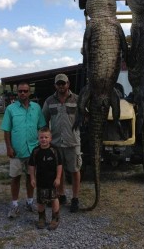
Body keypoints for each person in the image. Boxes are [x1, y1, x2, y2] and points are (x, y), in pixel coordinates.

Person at [0, 82, 46, 218]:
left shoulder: (36, 108)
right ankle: (14, 205)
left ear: (29, 92)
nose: (23, 94)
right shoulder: (10, 109)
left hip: (33, 150)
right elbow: (6, 130)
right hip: (17, 150)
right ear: (17, 93)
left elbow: (42, 127)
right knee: (15, 177)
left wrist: (42, 145)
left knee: (31, 177)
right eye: (20, 91)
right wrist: (8, 147)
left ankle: (30, 202)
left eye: (25, 91)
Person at [42, 73, 82, 212]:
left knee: (75, 170)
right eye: (58, 83)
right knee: (59, 171)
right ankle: (62, 194)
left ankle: (75, 199)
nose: (61, 86)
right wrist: (46, 139)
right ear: (55, 85)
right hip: (57, 143)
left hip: (73, 142)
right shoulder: (49, 101)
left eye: (63, 83)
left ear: (68, 84)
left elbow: (86, 116)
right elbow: (44, 121)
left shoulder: (78, 99)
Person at [29, 127, 62, 230]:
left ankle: (55, 218)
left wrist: (58, 178)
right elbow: (31, 166)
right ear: (38, 138)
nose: (44, 139)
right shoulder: (35, 151)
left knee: (54, 199)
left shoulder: (54, 150)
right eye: (41, 137)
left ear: (50, 139)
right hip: (40, 181)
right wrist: (32, 178)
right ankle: (41, 218)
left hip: (52, 182)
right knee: (40, 201)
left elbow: (59, 165)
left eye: (46, 137)